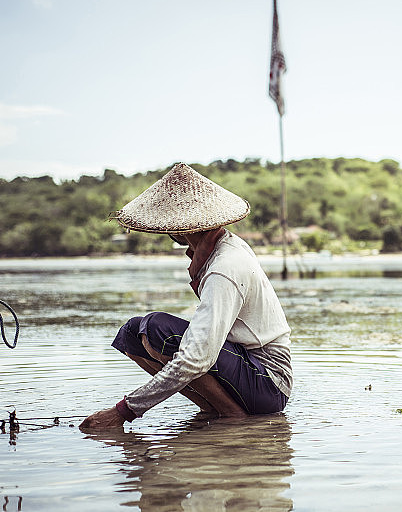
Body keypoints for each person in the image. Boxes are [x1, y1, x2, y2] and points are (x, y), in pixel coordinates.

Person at [81, 163, 292, 428]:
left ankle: (232, 415)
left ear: (182, 229)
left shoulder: (225, 266)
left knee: (158, 330)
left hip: (268, 382)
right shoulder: (217, 250)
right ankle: (213, 409)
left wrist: (123, 411)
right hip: (247, 367)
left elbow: (198, 357)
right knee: (132, 332)